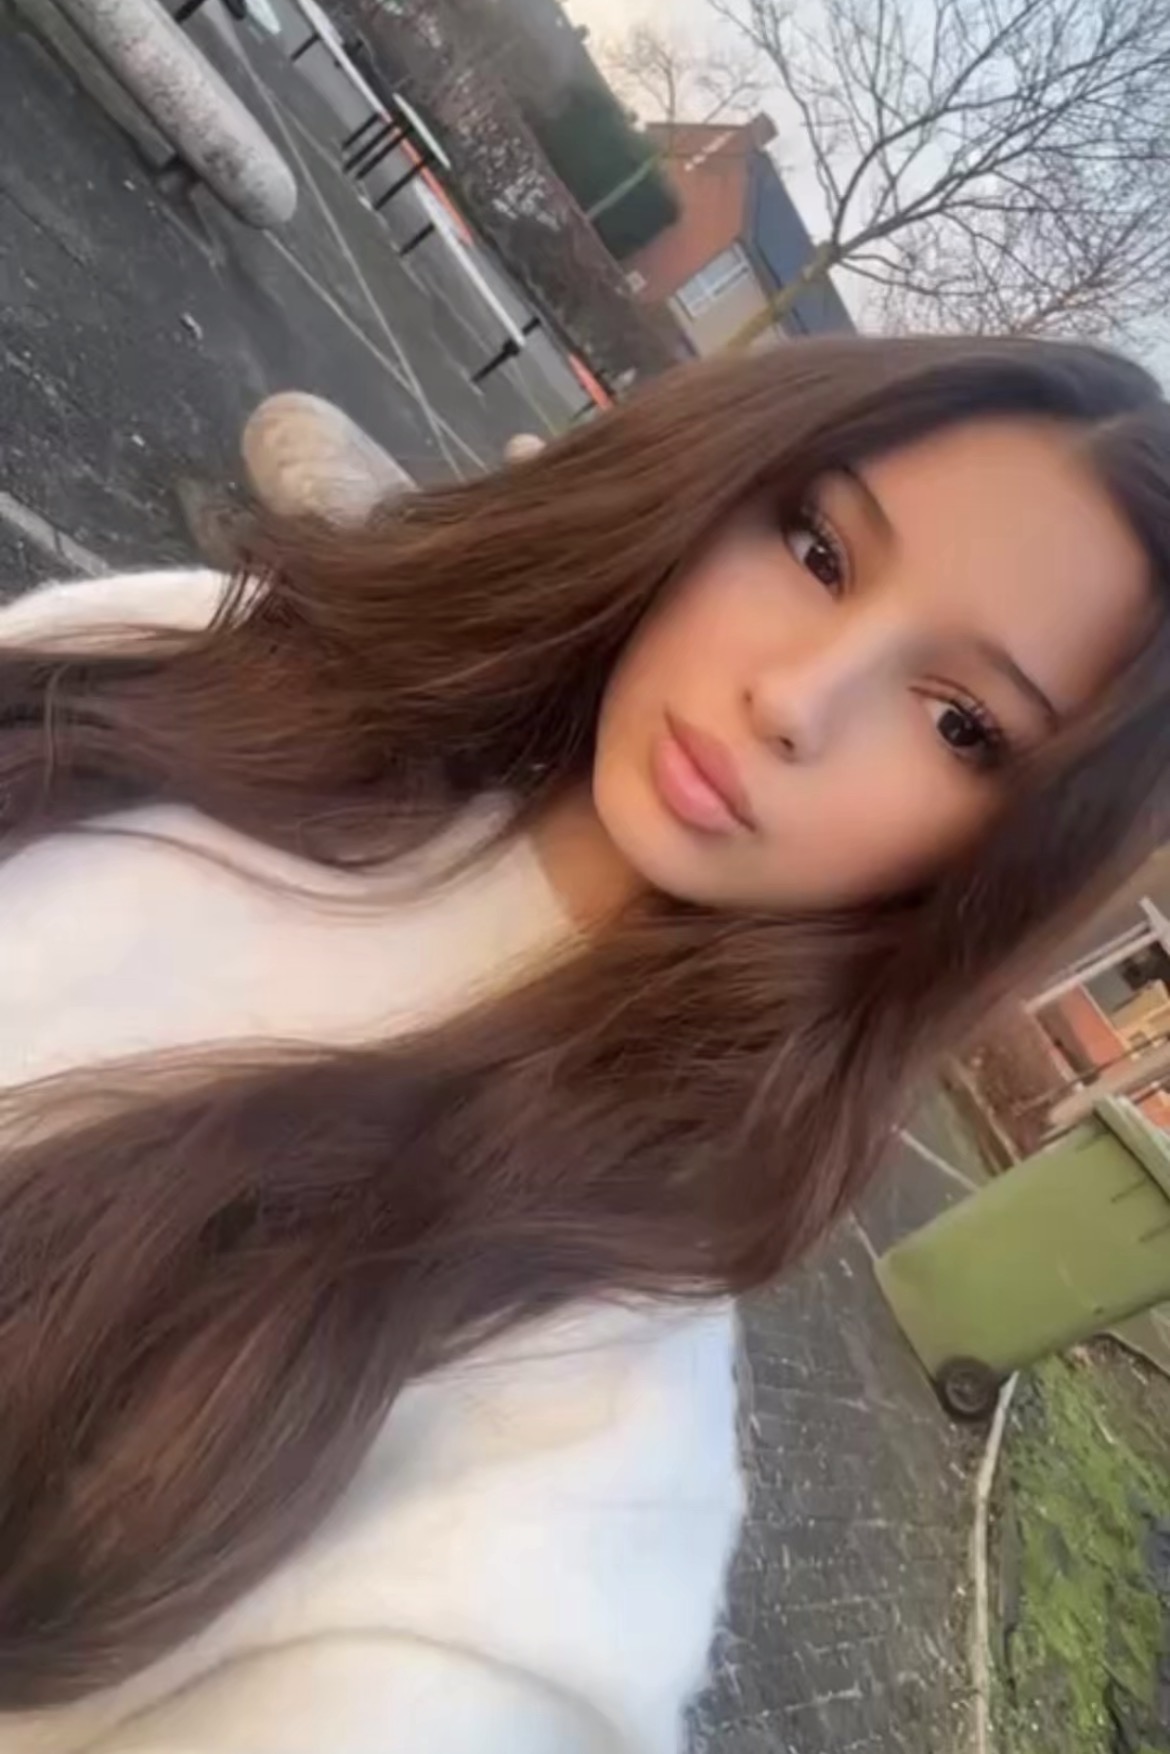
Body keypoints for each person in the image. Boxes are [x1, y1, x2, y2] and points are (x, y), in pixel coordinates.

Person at [0, 333, 1168, 1751]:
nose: (795, 700)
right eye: (818, 550)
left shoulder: (586, 1406)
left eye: (962, 723)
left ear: (1003, 858)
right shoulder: (211, 659)